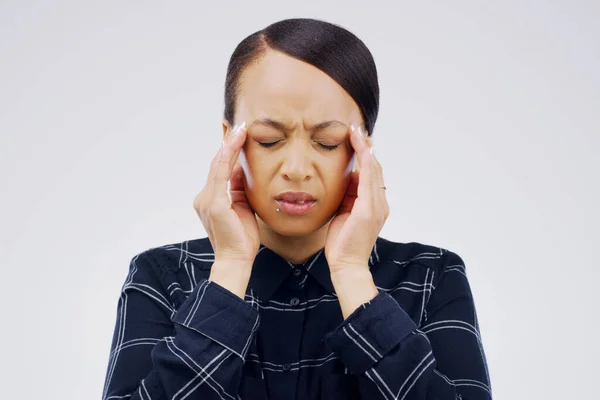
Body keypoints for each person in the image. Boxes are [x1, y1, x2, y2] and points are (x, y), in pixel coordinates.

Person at [102, 17, 492, 400]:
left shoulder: (432, 277)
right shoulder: (163, 276)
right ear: (230, 141)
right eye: (270, 140)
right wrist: (232, 268)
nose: (297, 170)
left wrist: (353, 275)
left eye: (327, 142)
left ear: (363, 149)